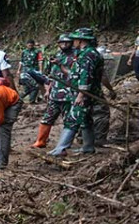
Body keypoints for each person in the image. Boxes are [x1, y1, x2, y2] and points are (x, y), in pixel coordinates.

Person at [49, 28, 116, 156]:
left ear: (81, 40)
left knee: (72, 118)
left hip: (85, 94)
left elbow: (86, 76)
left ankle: (61, 148)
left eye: (74, 39)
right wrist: (60, 66)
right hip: (81, 92)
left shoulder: (88, 55)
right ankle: (88, 147)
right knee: (85, 119)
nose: (73, 42)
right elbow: (76, 74)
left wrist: (81, 95)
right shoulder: (85, 53)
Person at [32, 34, 77, 148]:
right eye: (62, 43)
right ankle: (40, 141)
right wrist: (48, 89)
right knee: (47, 118)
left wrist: (60, 64)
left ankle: (64, 145)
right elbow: (52, 76)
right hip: (55, 94)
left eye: (67, 42)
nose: (64, 45)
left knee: (69, 121)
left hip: (68, 95)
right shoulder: (58, 55)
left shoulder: (75, 56)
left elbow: (73, 75)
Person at [17, 39, 43, 103]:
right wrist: (18, 70)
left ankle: (32, 100)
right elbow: (21, 61)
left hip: (34, 70)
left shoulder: (37, 51)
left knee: (35, 85)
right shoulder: (24, 52)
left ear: (33, 45)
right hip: (25, 71)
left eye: (31, 44)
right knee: (27, 85)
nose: (30, 45)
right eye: (28, 44)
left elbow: (40, 61)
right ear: (26, 45)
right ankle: (22, 98)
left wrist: (40, 70)